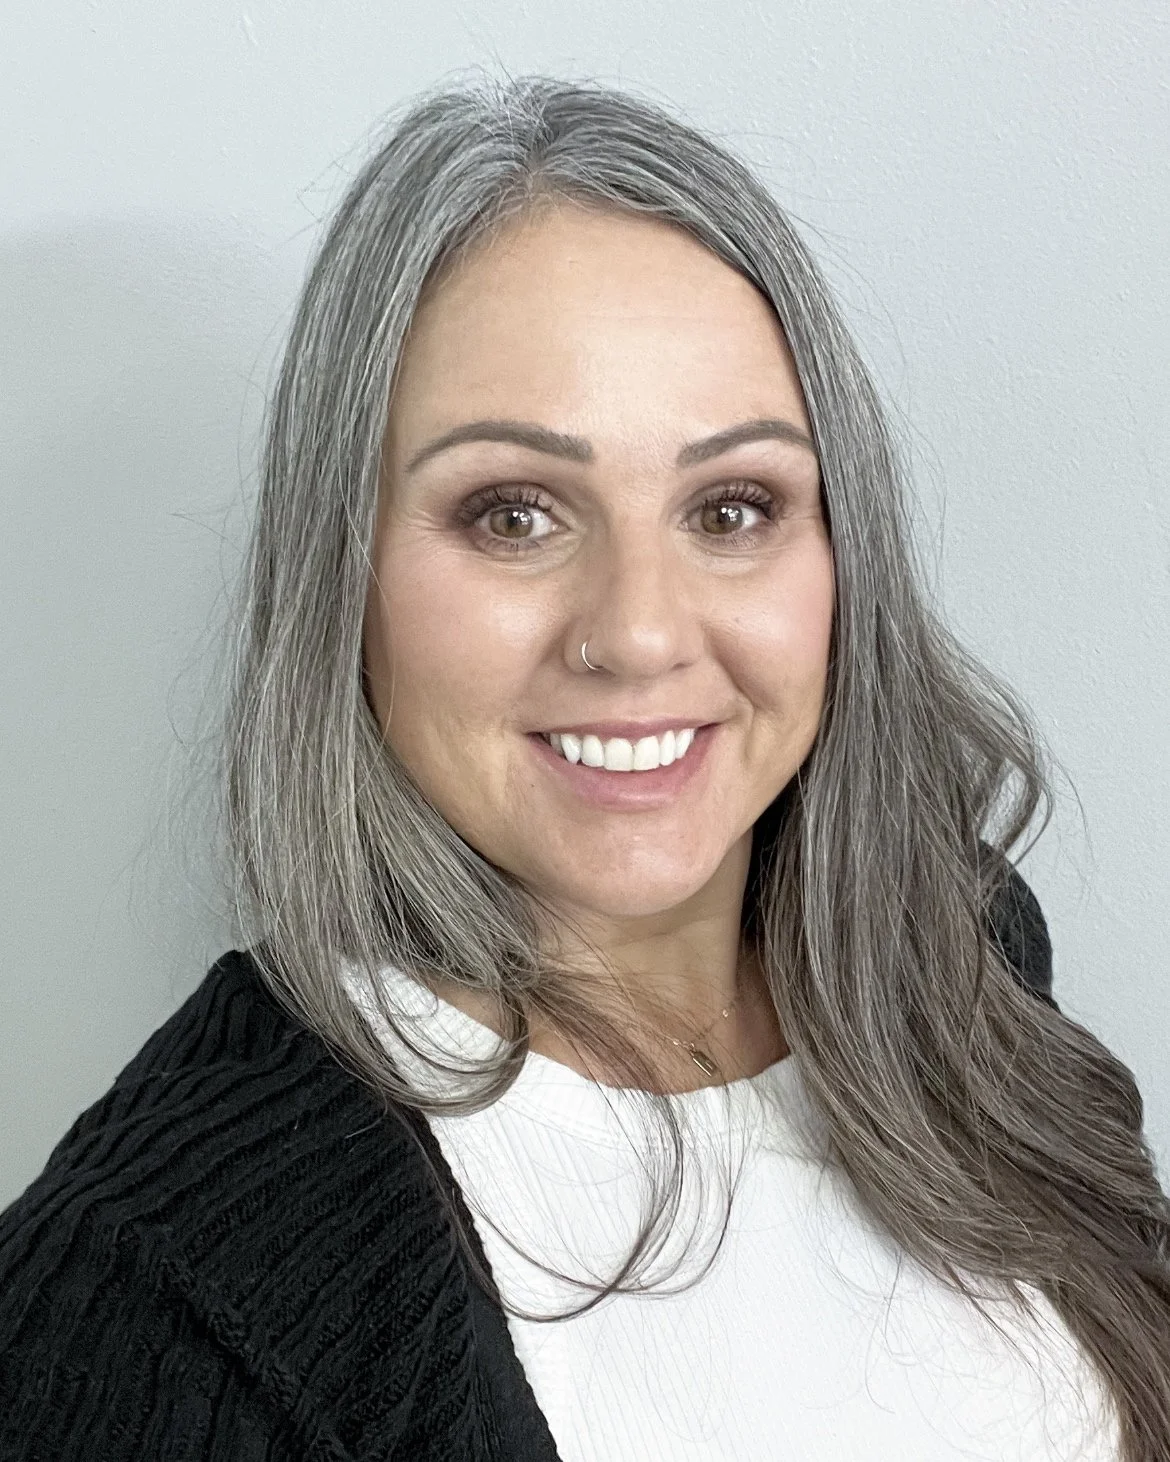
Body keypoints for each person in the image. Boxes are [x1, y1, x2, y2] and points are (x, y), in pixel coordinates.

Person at [1, 73, 1167, 1462]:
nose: (639, 632)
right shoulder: (147, 1291)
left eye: (731, 507)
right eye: (513, 514)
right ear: (342, 576)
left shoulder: (953, 956)